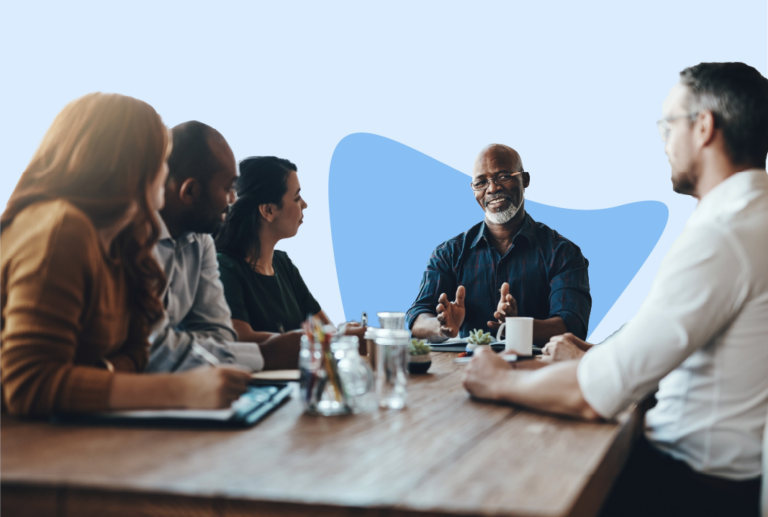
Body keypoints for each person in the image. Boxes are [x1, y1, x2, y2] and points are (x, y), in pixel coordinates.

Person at [462, 62, 768, 516]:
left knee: (501, 478)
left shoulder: (724, 234)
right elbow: (664, 344)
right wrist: (593, 354)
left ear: (703, 127)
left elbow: (596, 394)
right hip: (720, 477)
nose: (664, 142)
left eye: (668, 124)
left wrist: (497, 380)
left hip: (690, 488)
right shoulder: (750, 219)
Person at [0, 93, 252, 417]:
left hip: (69, 433)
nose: (166, 172)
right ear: (131, 166)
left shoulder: (125, 243)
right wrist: (182, 390)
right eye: (162, 161)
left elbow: (138, 352)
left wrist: (89, 374)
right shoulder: (63, 229)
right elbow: (29, 383)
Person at [147, 121, 296, 372]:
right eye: (228, 188)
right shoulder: (133, 239)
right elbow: (150, 348)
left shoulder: (201, 241)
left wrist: (188, 349)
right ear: (190, 191)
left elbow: (219, 336)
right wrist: (266, 354)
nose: (233, 200)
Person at [407, 144, 592, 345]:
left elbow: (573, 325)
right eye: (481, 182)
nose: (493, 188)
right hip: (464, 371)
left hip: (536, 373)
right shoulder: (448, 254)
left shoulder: (562, 253)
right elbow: (417, 319)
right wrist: (441, 327)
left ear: (525, 179)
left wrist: (517, 328)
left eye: (503, 176)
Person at [216, 156, 364, 343]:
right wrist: (334, 336)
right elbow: (241, 338)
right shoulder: (224, 268)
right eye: (296, 197)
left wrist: (339, 333)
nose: (304, 204)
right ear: (268, 210)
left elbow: (325, 329)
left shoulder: (283, 264)